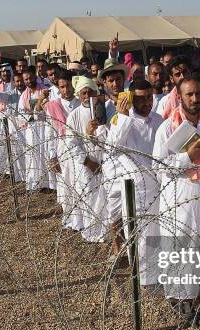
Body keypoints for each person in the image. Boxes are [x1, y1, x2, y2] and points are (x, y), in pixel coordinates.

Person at [152, 75, 200, 326]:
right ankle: (179, 299)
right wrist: (187, 157)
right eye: (188, 95)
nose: (194, 99)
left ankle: (196, 295)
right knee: (180, 247)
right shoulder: (168, 127)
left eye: (197, 94)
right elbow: (158, 165)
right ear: (179, 97)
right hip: (179, 196)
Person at [107, 79, 161, 284]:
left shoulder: (159, 120)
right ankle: (143, 277)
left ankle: (158, 272)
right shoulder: (122, 121)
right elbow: (113, 146)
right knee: (138, 232)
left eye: (149, 97)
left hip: (157, 184)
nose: (146, 103)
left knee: (157, 231)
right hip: (135, 187)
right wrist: (122, 116)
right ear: (130, 99)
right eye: (140, 99)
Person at [65, 76, 108, 242]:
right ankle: (93, 233)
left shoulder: (104, 109)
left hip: (104, 161)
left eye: (90, 91)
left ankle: (107, 232)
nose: (87, 95)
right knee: (90, 199)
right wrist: (88, 162)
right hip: (86, 165)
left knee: (106, 199)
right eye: (84, 92)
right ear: (78, 95)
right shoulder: (74, 116)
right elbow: (72, 143)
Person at [44, 70, 83, 230]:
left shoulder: (82, 102)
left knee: (81, 184)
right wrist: (52, 156)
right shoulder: (53, 106)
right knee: (66, 186)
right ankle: (71, 220)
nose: (66, 90)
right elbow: (50, 132)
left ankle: (84, 220)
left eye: (68, 86)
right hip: (63, 150)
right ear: (58, 88)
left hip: (80, 148)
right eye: (62, 87)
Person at [98, 58, 128, 260]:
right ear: (105, 84)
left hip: (132, 163)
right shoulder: (103, 107)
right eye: (111, 81)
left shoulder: (133, 103)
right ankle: (118, 249)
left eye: (118, 80)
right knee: (114, 211)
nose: (115, 84)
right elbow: (101, 138)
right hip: (111, 165)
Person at [17, 66, 53, 191]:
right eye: (26, 79)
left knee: (46, 153)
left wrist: (34, 112)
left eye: (31, 77)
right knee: (33, 156)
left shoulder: (45, 91)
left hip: (44, 126)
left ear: (35, 77)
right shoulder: (24, 95)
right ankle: (35, 184)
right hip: (31, 129)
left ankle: (48, 184)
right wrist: (34, 112)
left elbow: (49, 110)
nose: (28, 81)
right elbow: (21, 114)